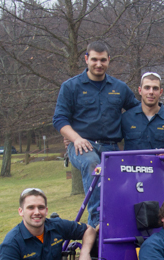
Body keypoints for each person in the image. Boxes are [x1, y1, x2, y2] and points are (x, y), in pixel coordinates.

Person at [53, 41, 138, 227]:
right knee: (93, 164)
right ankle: (96, 226)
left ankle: (120, 229)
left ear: (109, 60)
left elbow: (139, 111)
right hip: (82, 146)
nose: (98, 64)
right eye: (94, 59)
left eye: (102, 60)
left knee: (123, 187)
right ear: (86, 59)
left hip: (112, 147)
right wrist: (75, 138)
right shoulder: (70, 87)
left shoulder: (120, 88)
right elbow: (59, 119)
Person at [122, 72, 164, 151]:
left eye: (155, 88)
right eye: (147, 88)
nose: (151, 92)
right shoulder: (126, 118)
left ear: (161, 92)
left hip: (163, 164)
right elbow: (111, 141)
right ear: (140, 90)